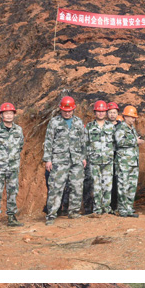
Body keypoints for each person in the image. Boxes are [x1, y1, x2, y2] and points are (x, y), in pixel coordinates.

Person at [43, 96, 88, 225]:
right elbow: (48, 141)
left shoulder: (79, 122)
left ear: (73, 109)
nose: (67, 113)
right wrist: (48, 159)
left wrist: (83, 157)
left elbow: (83, 141)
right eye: (65, 111)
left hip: (76, 160)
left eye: (69, 111)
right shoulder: (54, 122)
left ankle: (73, 212)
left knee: (77, 186)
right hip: (59, 160)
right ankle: (51, 214)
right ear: (60, 110)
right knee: (56, 187)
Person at [0, 102, 24, 229]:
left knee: (12, 191)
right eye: (5, 113)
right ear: (1, 115)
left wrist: (12, 159)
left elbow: (20, 145)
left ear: (14, 115)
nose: (8, 115)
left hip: (13, 167)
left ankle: (11, 217)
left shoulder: (18, 130)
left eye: (10, 113)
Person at [86, 100, 116, 217]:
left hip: (108, 161)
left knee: (107, 185)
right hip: (94, 161)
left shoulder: (111, 127)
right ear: (95, 112)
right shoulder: (89, 126)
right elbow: (85, 143)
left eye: (103, 111)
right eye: (98, 111)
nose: (101, 113)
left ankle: (106, 209)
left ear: (106, 112)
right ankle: (97, 209)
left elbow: (115, 143)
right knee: (96, 186)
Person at [113, 105, 144, 218]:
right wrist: (135, 140)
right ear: (125, 116)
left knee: (131, 186)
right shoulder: (120, 128)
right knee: (123, 186)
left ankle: (129, 208)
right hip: (123, 163)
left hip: (132, 162)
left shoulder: (132, 129)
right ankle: (122, 209)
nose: (133, 119)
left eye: (134, 117)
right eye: (131, 117)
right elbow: (119, 141)